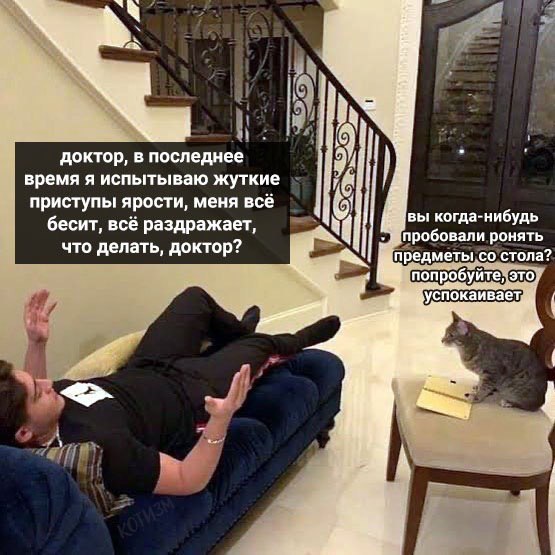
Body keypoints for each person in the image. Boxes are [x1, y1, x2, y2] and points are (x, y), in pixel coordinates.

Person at [0, 287, 340, 496]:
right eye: (38, 392)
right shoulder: (102, 449)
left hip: (147, 364)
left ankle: (235, 332)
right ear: (24, 433)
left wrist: (36, 343)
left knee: (194, 299)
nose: (48, 383)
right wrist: (220, 420)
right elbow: (188, 479)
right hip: (192, 395)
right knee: (260, 346)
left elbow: (33, 394)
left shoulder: (39, 419)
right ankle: (296, 340)